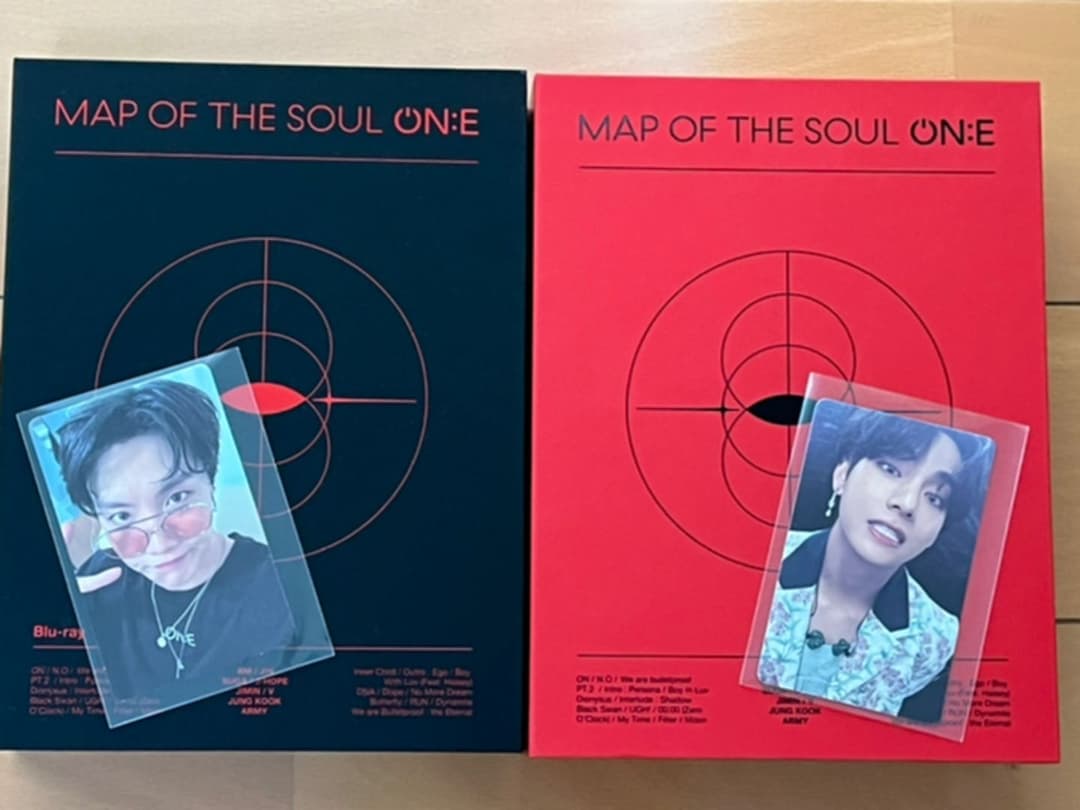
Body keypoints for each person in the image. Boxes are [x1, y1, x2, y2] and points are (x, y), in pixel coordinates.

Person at [51, 379, 297, 702]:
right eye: (122, 516)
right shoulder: (96, 584)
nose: (160, 544)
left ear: (210, 483)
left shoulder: (286, 590)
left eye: (177, 498)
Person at [756, 403, 994, 719]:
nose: (907, 503)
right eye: (890, 469)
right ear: (842, 474)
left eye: (935, 498)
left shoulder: (935, 637)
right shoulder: (753, 560)